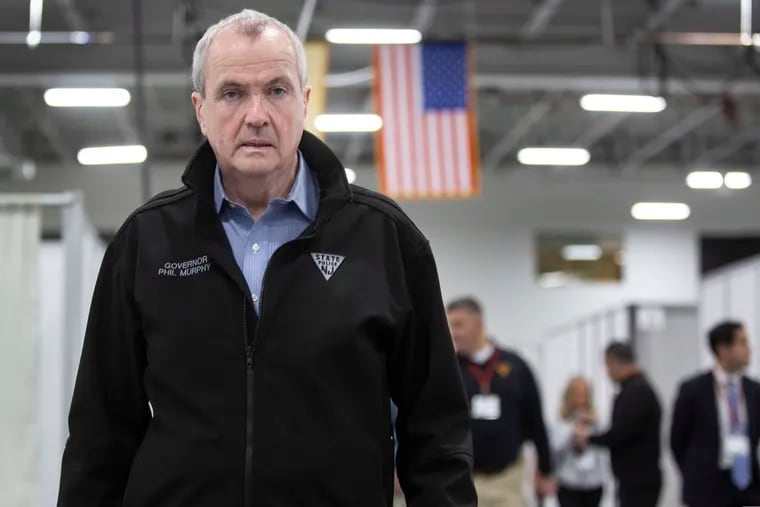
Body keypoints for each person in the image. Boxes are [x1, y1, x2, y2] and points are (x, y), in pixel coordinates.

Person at [57, 9, 476, 507]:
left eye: (276, 90)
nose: (256, 114)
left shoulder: (385, 240)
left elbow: (437, 431)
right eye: (232, 93)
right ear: (201, 111)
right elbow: (100, 435)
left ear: (304, 102)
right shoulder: (146, 243)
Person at [447, 297, 555, 507]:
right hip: (463, 480)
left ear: (478, 324)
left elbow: (536, 420)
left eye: (458, 325)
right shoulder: (451, 369)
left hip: (507, 479)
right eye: (450, 326)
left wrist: (546, 470)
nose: (453, 332)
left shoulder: (515, 366)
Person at [670, 321, 760, 507]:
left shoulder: (754, 390)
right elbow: (677, 440)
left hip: (746, 487)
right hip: (706, 488)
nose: (749, 348)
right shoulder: (693, 390)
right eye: (742, 342)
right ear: (723, 349)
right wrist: (694, 473)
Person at [574, 342, 662, 507]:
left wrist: (589, 438)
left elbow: (619, 434)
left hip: (638, 480)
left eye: (607, 366)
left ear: (614, 362)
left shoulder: (635, 392)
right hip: (637, 477)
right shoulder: (639, 389)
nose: (607, 372)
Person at [551, 376, 605, 507]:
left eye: (584, 394)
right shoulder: (562, 422)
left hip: (593, 483)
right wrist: (572, 432)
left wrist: (594, 424)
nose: (581, 399)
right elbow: (554, 447)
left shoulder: (596, 420)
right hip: (569, 482)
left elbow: (608, 440)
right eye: (577, 394)